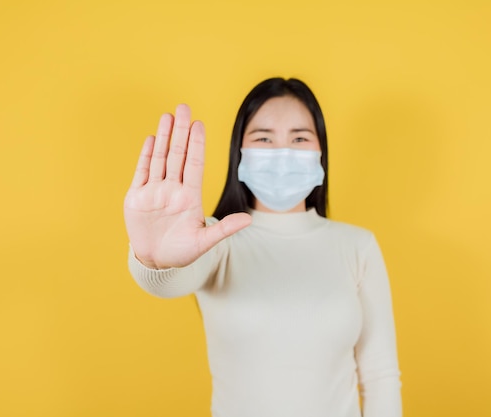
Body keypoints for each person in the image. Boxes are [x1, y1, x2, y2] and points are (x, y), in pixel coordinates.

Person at [124, 78, 402, 417]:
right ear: (239, 151)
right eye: (264, 138)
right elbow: (169, 281)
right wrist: (155, 258)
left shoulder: (357, 245)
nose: (282, 153)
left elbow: (380, 375)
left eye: (299, 138)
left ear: (320, 153)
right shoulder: (214, 240)